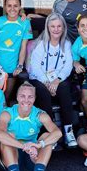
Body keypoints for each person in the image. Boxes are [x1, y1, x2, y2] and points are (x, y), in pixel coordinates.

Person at [0, 82, 62, 171]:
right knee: (7, 136)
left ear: (35, 98)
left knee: (47, 136)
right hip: (12, 158)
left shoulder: (40, 114)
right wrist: (23, 146)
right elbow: (0, 134)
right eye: (22, 96)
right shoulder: (7, 113)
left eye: (30, 96)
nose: (26, 100)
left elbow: (58, 133)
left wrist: (38, 145)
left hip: (32, 157)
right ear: (17, 97)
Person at [28, 12, 76, 148]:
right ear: (48, 28)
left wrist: (56, 81)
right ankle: (49, 133)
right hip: (40, 78)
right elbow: (35, 67)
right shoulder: (41, 44)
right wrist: (48, 83)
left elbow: (67, 66)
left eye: (59, 26)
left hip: (57, 79)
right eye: (53, 26)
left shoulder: (66, 44)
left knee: (65, 87)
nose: (56, 29)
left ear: (63, 28)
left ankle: (68, 131)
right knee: (42, 91)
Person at [0, 0, 33, 102]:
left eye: (15, 6)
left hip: (12, 70)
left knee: (4, 99)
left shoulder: (25, 23)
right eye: (9, 5)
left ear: (20, 7)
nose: (12, 9)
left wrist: (20, 66)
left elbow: (23, 47)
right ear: (5, 7)